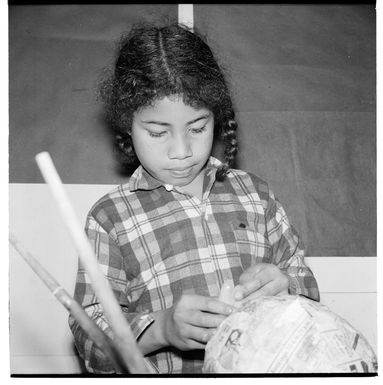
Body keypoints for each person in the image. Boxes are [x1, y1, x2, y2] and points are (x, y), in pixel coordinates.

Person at [69, 21, 320, 374]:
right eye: (158, 132)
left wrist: (287, 287)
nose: (182, 151)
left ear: (216, 117)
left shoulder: (257, 195)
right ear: (127, 123)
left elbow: (307, 289)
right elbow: (89, 339)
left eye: (198, 128)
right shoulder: (110, 217)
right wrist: (161, 328)